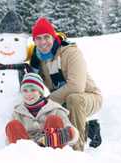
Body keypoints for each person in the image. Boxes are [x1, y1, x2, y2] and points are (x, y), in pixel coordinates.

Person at [29, 17, 103, 151]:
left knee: (73, 99)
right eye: (38, 38)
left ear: (53, 36)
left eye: (46, 37)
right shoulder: (39, 57)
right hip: (63, 99)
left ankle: (77, 149)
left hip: (88, 96)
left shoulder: (70, 52)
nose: (43, 42)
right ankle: (90, 129)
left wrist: (48, 101)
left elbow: (76, 86)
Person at [5, 73, 79, 149]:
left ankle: (54, 152)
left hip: (51, 148)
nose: (28, 94)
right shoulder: (17, 113)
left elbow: (73, 135)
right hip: (27, 151)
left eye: (33, 90)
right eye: (25, 90)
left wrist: (69, 134)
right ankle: (22, 156)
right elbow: (9, 139)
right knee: (12, 125)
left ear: (40, 93)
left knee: (53, 119)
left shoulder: (55, 109)